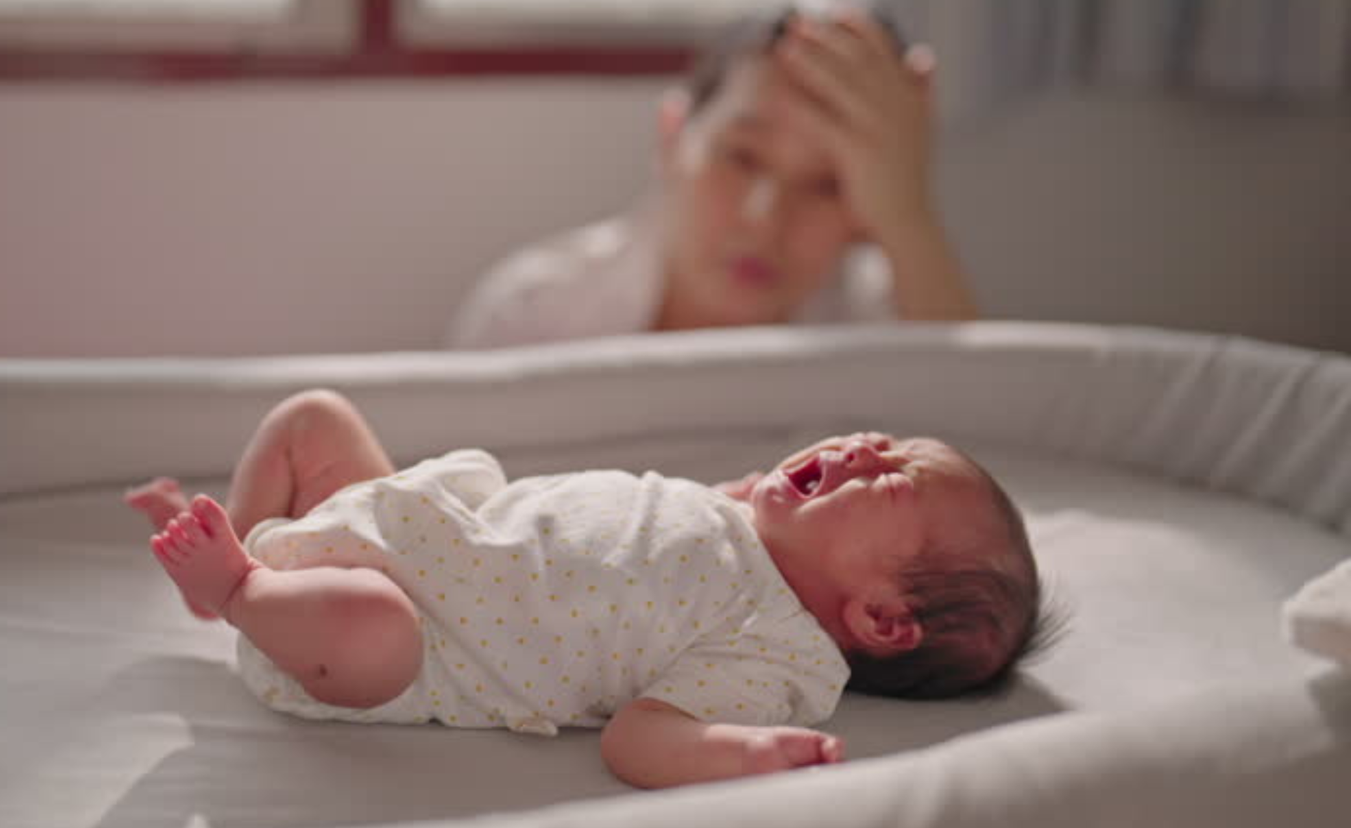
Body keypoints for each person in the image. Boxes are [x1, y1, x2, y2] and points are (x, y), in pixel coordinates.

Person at [126, 390, 1045, 789]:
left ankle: (239, 588)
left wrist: (742, 752)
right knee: (313, 417)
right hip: (410, 521)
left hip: (411, 647)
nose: (857, 450)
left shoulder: (778, 652)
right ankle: (235, 559)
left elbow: (640, 741)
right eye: (881, 438)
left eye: (885, 481)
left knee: (373, 629)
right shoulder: (744, 514)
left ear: (883, 619)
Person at [448, 4, 977, 350]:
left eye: (826, 184)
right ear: (673, 135)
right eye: (741, 157)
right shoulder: (532, 316)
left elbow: (973, 426)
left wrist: (908, 216)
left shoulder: (887, 322)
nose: (765, 218)